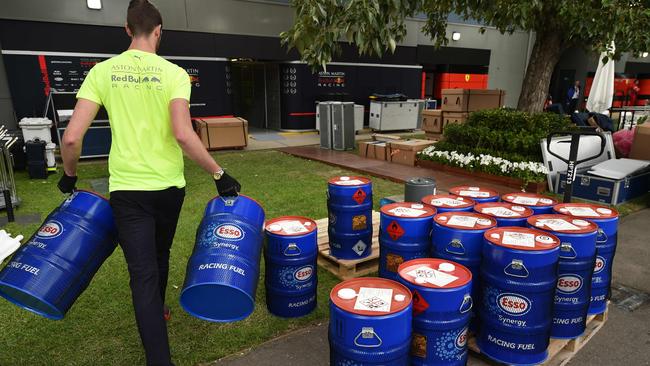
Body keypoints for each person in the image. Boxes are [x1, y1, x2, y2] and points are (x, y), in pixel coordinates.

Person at [58, 1, 241, 365]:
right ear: (159, 31)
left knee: (142, 274)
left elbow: (71, 139)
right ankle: (160, 318)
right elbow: (184, 135)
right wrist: (219, 174)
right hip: (169, 188)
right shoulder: (174, 73)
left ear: (127, 29)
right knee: (160, 255)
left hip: (128, 192)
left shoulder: (103, 72)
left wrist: (70, 175)